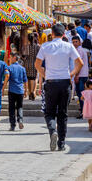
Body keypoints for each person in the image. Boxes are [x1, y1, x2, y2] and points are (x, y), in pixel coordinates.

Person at [35, 24, 83, 152]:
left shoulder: (45, 46)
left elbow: (37, 64)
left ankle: (52, 131)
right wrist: (71, 74)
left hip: (51, 83)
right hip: (65, 82)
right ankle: (61, 143)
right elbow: (80, 63)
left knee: (49, 112)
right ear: (63, 34)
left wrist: (45, 75)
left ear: (52, 33)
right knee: (63, 114)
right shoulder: (68, 46)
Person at [3, 53, 27, 131]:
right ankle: (20, 120)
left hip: (12, 90)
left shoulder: (9, 68)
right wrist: (26, 90)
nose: (9, 59)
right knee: (20, 106)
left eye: (10, 57)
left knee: (12, 108)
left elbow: (7, 78)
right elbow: (25, 81)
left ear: (14, 58)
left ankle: (12, 125)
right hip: (20, 90)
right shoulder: (22, 68)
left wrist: (3, 88)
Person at [72, 36, 89, 118]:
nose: (74, 43)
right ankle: (84, 111)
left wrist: (76, 75)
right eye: (73, 42)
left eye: (76, 41)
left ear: (79, 42)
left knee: (81, 94)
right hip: (84, 75)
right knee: (82, 94)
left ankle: (83, 112)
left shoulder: (79, 50)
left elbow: (79, 64)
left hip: (81, 75)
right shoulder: (81, 50)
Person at [23, 33, 40, 101]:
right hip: (34, 63)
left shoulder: (26, 46)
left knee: (28, 78)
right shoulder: (37, 47)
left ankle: (30, 92)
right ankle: (32, 92)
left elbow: (23, 56)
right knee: (33, 78)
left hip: (27, 63)